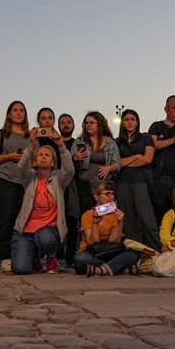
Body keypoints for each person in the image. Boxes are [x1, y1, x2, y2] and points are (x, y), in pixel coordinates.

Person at [11, 128, 74, 275]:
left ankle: (51, 256)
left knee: (44, 237)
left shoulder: (58, 179)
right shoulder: (29, 178)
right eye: (40, 155)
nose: (44, 157)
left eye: (47, 155)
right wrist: (32, 146)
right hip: (25, 231)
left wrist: (61, 145)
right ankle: (34, 260)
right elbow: (21, 167)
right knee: (21, 269)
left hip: (49, 231)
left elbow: (69, 170)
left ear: (53, 162)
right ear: (34, 161)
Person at [67, 111, 120, 264]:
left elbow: (118, 163)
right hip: (84, 186)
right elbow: (69, 164)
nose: (88, 125)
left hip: (104, 188)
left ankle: (107, 249)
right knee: (87, 218)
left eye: (92, 122)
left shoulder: (110, 142)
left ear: (100, 124)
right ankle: (86, 250)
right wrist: (75, 158)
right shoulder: (79, 141)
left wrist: (109, 168)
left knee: (107, 216)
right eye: (86, 123)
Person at [0, 101, 30, 273]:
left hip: (25, 182)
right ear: (9, 114)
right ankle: (5, 257)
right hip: (5, 180)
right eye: (15, 110)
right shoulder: (2, 134)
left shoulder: (30, 136)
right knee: (4, 220)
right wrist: (10, 156)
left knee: (22, 221)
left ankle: (22, 255)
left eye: (22, 110)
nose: (18, 113)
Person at [114, 109, 160, 249]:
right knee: (129, 221)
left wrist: (126, 162)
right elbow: (117, 163)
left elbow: (147, 159)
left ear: (137, 122)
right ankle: (135, 253)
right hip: (122, 182)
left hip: (141, 181)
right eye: (126, 119)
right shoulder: (117, 141)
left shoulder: (146, 138)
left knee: (147, 218)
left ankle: (157, 249)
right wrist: (135, 157)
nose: (129, 122)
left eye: (132, 119)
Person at [74, 180, 140, 277]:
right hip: (92, 253)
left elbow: (114, 241)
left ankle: (101, 270)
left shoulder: (116, 215)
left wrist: (120, 222)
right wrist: (95, 223)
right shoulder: (87, 215)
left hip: (111, 252)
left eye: (113, 194)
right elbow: (92, 243)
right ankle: (117, 268)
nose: (112, 198)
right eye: (107, 194)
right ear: (96, 196)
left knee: (134, 254)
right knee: (79, 259)